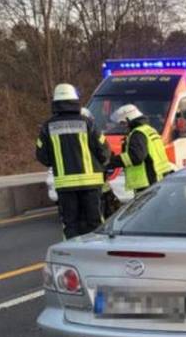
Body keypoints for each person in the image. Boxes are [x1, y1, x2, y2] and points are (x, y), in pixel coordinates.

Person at [35, 84, 110, 238]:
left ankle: (72, 255)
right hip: (90, 184)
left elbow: (42, 156)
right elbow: (103, 149)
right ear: (75, 100)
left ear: (55, 102)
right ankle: (96, 256)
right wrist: (102, 164)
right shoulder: (87, 123)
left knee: (70, 224)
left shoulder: (47, 127)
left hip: (65, 186)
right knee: (94, 223)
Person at [110, 104, 174, 194]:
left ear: (128, 119)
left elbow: (135, 157)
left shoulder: (137, 134)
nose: (123, 126)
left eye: (123, 123)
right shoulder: (150, 130)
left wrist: (111, 161)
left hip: (146, 181)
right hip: (157, 177)